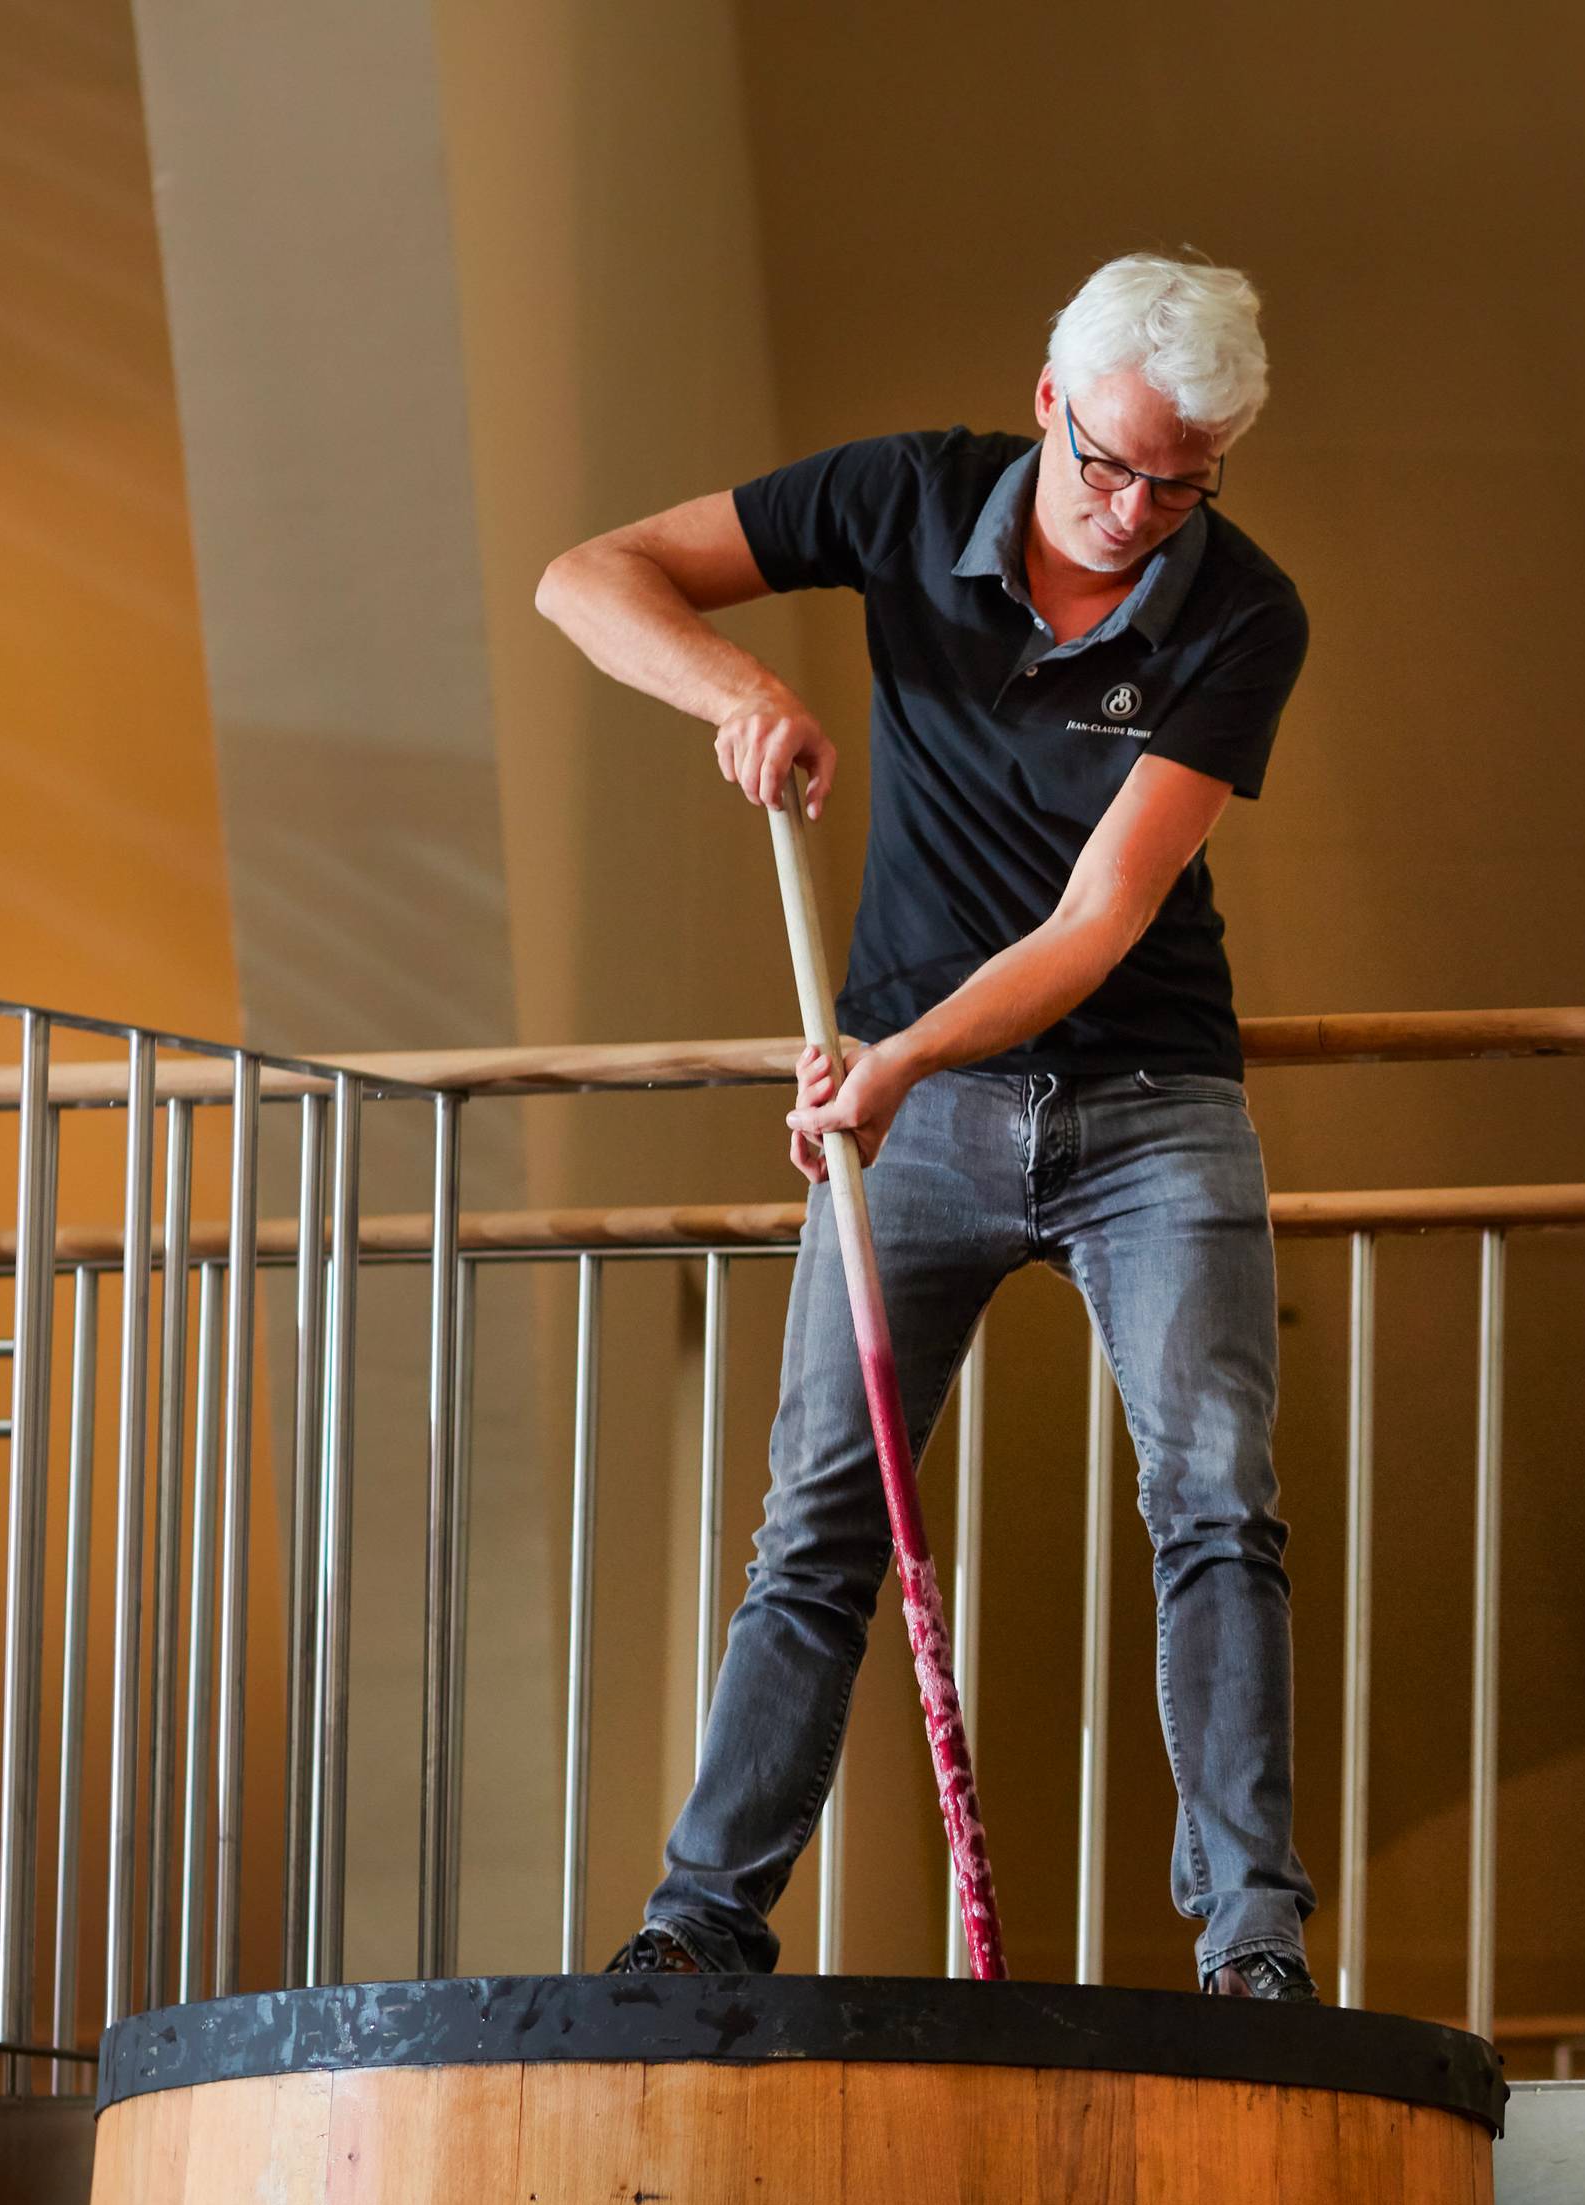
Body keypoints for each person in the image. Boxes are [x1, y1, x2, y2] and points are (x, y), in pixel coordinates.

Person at [534, 252, 1317, 1996]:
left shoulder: (1244, 610)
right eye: (1107, 462)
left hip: (1150, 1107)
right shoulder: (907, 497)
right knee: (817, 1514)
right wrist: (737, 695)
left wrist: (888, 1065)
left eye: (1179, 483)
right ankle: (702, 1922)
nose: (1132, 512)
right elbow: (587, 578)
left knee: (1214, 1501)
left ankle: (1253, 1942)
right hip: (924, 1115)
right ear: (1050, 400)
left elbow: (1099, 921)